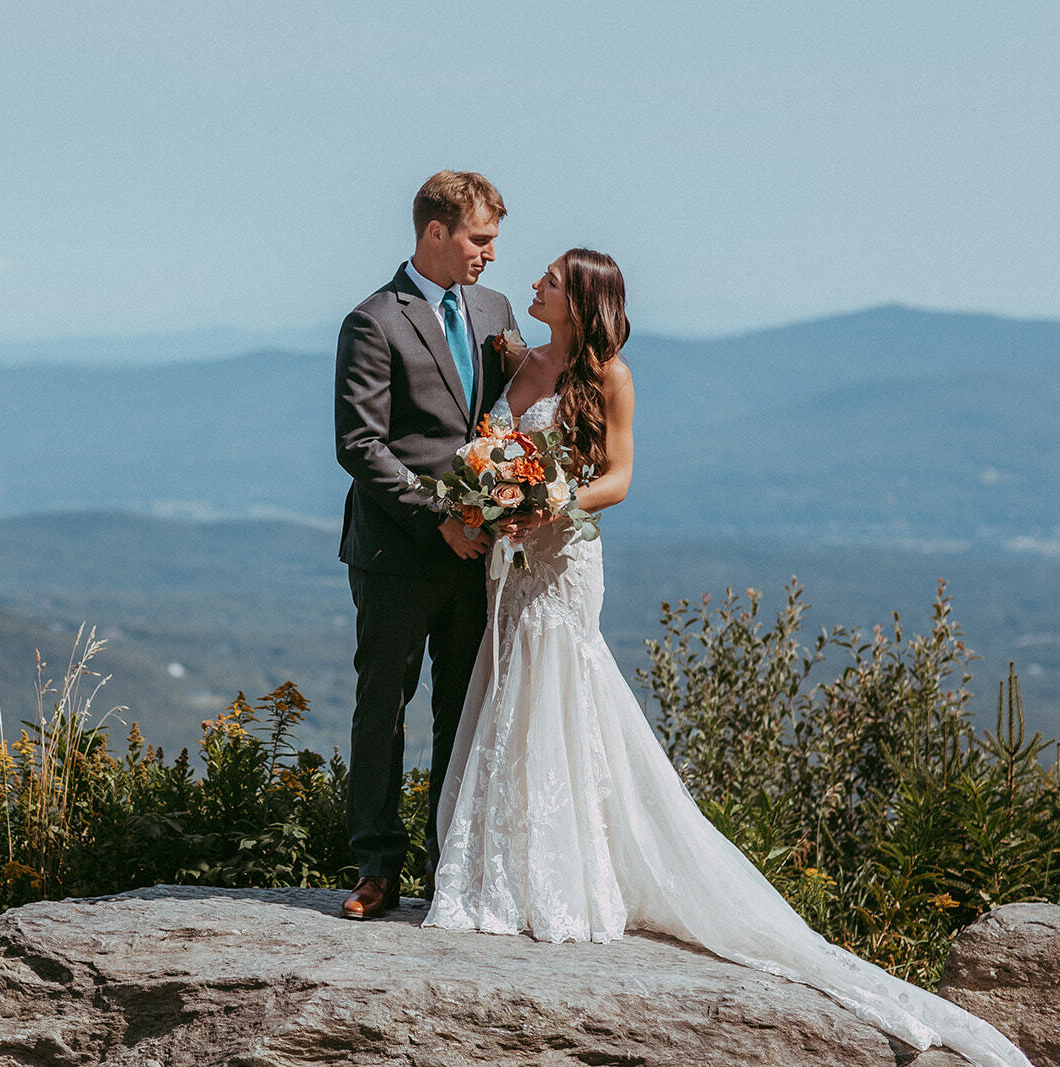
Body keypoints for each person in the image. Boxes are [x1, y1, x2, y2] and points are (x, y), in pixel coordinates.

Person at [423, 248, 1031, 1067]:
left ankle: (565, 873)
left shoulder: (613, 378)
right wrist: (492, 504)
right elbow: (496, 449)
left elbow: (621, 478)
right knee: (510, 690)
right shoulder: (518, 362)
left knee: (560, 686)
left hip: (567, 559)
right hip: (513, 561)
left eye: (552, 280)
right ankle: (509, 863)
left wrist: (551, 499)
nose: (534, 284)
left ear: (583, 299)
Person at [334, 171, 521, 920]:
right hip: (397, 552)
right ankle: (378, 864)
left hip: (479, 552)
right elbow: (360, 444)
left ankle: (452, 862)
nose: (491, 255)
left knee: (462, 710)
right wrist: (437, 515)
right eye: (480, 240)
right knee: (383, 705)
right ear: (435, 233)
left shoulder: (497, 311)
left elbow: (511, 416)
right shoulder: (374, 319)